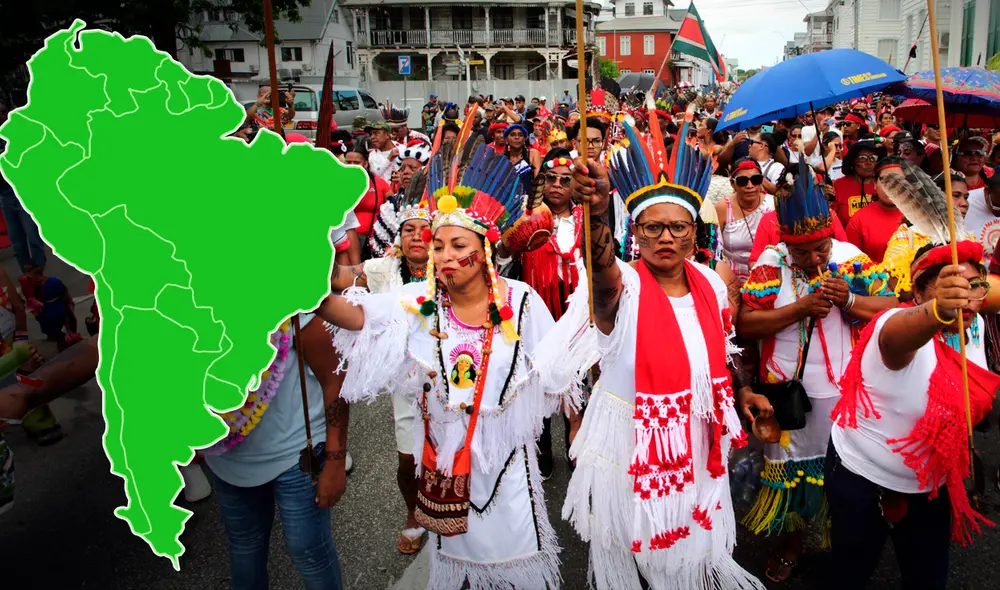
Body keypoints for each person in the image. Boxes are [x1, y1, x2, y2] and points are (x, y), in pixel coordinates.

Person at [320, 140, 569, 590]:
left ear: (486, 249)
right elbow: (358, 317)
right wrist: (303, 291)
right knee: (456, 574)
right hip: (442, 467)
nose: (446, 255)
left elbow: (559, 373)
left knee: (516, 570)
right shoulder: (419, 303)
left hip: (507, 468)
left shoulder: (523, 305)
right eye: (438, 246)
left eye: (459, 244)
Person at [539, 107, 769, 590]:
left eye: (678, 227)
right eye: (652, 227)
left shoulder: (708, 279)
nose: (666, 236)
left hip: (698, 435)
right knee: (641, 554)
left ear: (693, 233)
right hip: (634, 439)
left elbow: (721, 352)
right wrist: (598, 211)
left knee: (690, 556)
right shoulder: (623, 287)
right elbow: (602, 278)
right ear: (636, 234)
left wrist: (742, 393)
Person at [827, 166, 997, 589]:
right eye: (946, 289)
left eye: (973, 288)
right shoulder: (894, 326)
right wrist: (939, 311)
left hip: (932, 486)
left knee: (926, 577)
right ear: (918, 293)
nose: (965, 299)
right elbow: (905, 335)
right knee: (852, 568)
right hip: (861, 479)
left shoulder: (972, 325)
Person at [739, 159, 896, 583]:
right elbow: (745, 323)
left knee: (842, 476)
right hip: (787, 393)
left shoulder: (849, 259)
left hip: (844, 392)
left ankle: (837, 543)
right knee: (787, 475)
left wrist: (848, 300)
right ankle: (790, 545)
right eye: (802, 252)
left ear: (831, 235)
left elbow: (891, 308)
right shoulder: (771, 263)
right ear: (785, 243)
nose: (813, 257)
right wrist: (799, 309)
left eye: (820, 248)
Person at [331, 186, 431, 555]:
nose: (416, 236)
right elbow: (338, 278)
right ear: (398, 237)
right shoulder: (383, 268)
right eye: (408, 230)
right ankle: (412, 513)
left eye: (424, 230)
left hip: (452, 381)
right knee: (408, 462)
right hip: (405, 383)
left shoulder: (451, 266)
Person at [0, 102, 46, 273]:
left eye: (5, 111)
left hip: (22, 191)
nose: (4, 115)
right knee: (16, 240)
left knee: (32, 234)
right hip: (5, 194)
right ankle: (28, 277)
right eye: (1, 112)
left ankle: (39, 272)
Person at [716, 159, 775, 282]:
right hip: (731, 280)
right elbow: (715, 250)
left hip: (770, 279)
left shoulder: (774, 205)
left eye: (756, 180)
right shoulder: (723, 208)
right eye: (742, 181)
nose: (750, 186)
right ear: (733, 184)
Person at [845, 156, 906, 262]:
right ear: (874, 183)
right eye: (885, 180)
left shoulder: (924, 215)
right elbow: (851, 264)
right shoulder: (858, 220)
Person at [346, 146, 392, 249]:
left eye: (356, 162)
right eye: (348, 162)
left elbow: (391, 210)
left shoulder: (379, 183)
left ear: (365, 164)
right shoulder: (338, 184)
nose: (352, 166)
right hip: (345, 241)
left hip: (374, 241)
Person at [833, 138, 885, 223]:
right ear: (853, 162)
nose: (868, 162)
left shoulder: (883, 185)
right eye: (863, 158)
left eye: (873, 158)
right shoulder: (838, 185)